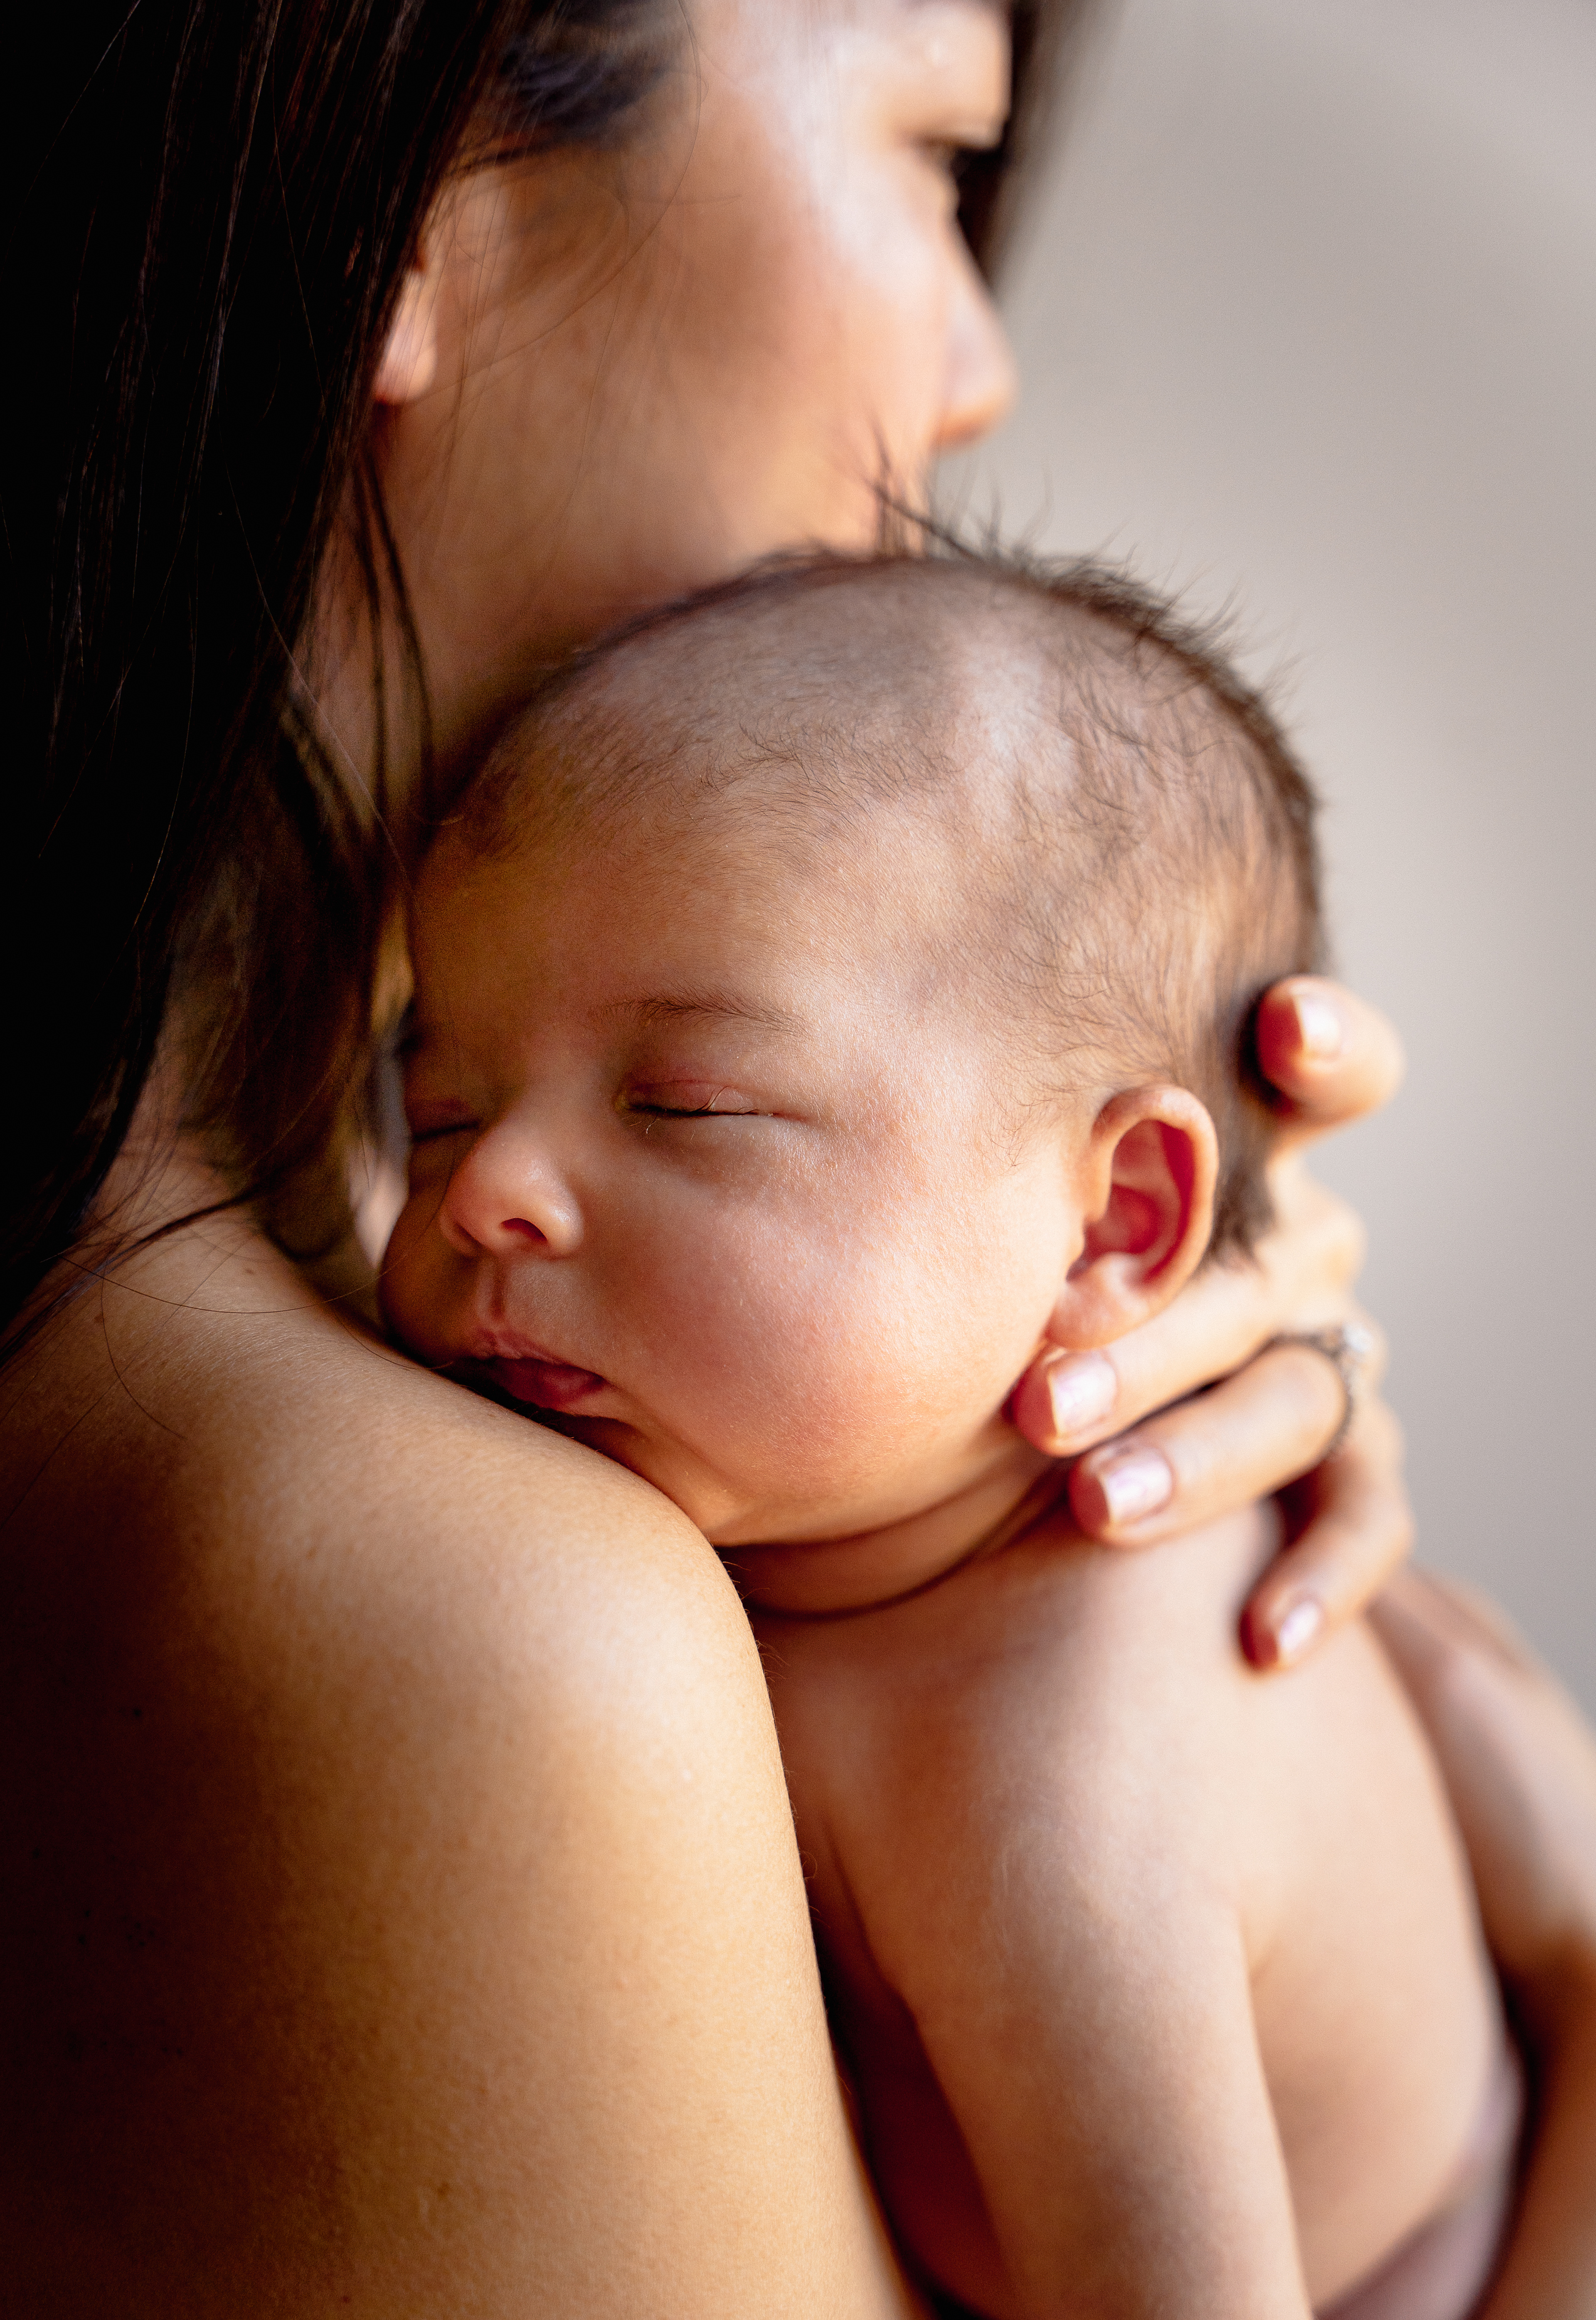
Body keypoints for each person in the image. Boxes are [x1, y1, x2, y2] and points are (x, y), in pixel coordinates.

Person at [2, 3, 1591, 2311]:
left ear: (1117, 1229)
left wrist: (955, 1368)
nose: (976, 369)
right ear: (405, 202)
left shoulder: (356, 1337)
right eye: (940, 156)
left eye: (685, 1102)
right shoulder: (461, 1641)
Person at [380, 546, 1517, 2320]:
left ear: (1116, 1227)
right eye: (436, 1106)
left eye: (689, 1103)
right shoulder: (772, 1510)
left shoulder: (1064, 1793)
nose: (492, 1192)